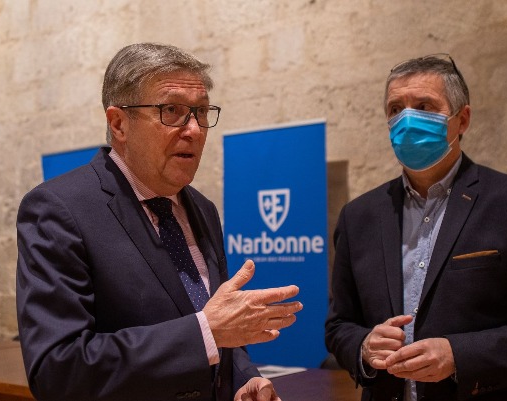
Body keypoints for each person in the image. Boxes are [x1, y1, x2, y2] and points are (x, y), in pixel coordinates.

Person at [16, 43, 302, 401]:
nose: (194, 129)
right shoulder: (59, 209)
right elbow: (58, 371)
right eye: (172, 111)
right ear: (119, 123)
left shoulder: (202, 208)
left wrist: (244, 378)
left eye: (200, 111)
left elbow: (217, 331)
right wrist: (204, 333)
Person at [324, 53, 507, 401]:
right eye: (395, 109)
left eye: (424, 106)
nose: (407, 120)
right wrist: (363, 346)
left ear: (462, 119)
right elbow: (339, 325)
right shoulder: (358, 216)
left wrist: (460, 356)